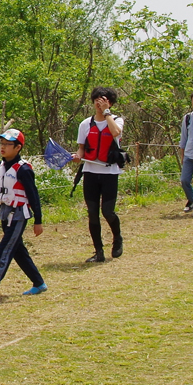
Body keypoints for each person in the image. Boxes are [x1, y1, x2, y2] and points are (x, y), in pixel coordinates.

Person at [0, 129, 46, 299]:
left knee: (4, 249)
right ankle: (39, 283)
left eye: (7, 144)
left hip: (19, 215)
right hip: (5, 213)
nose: (2, 147)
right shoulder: (0, 166)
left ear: (18, 147)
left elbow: (33, 196)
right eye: (1, 143)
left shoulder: (24, 169)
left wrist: (38, 220)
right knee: (18, 250)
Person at [74, 87, 125, 263]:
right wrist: (78, 156)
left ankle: (117, 239)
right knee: (93, 213)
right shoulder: (85, 124)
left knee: (108, 212)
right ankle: (99, 252)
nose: (98, 103)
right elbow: (81, 148)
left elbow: (115, 133)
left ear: (110, 102)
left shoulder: (117, 120)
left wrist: (107, 113)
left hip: (109, 173)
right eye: (96, 99)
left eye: (102, 100)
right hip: (90, 172)